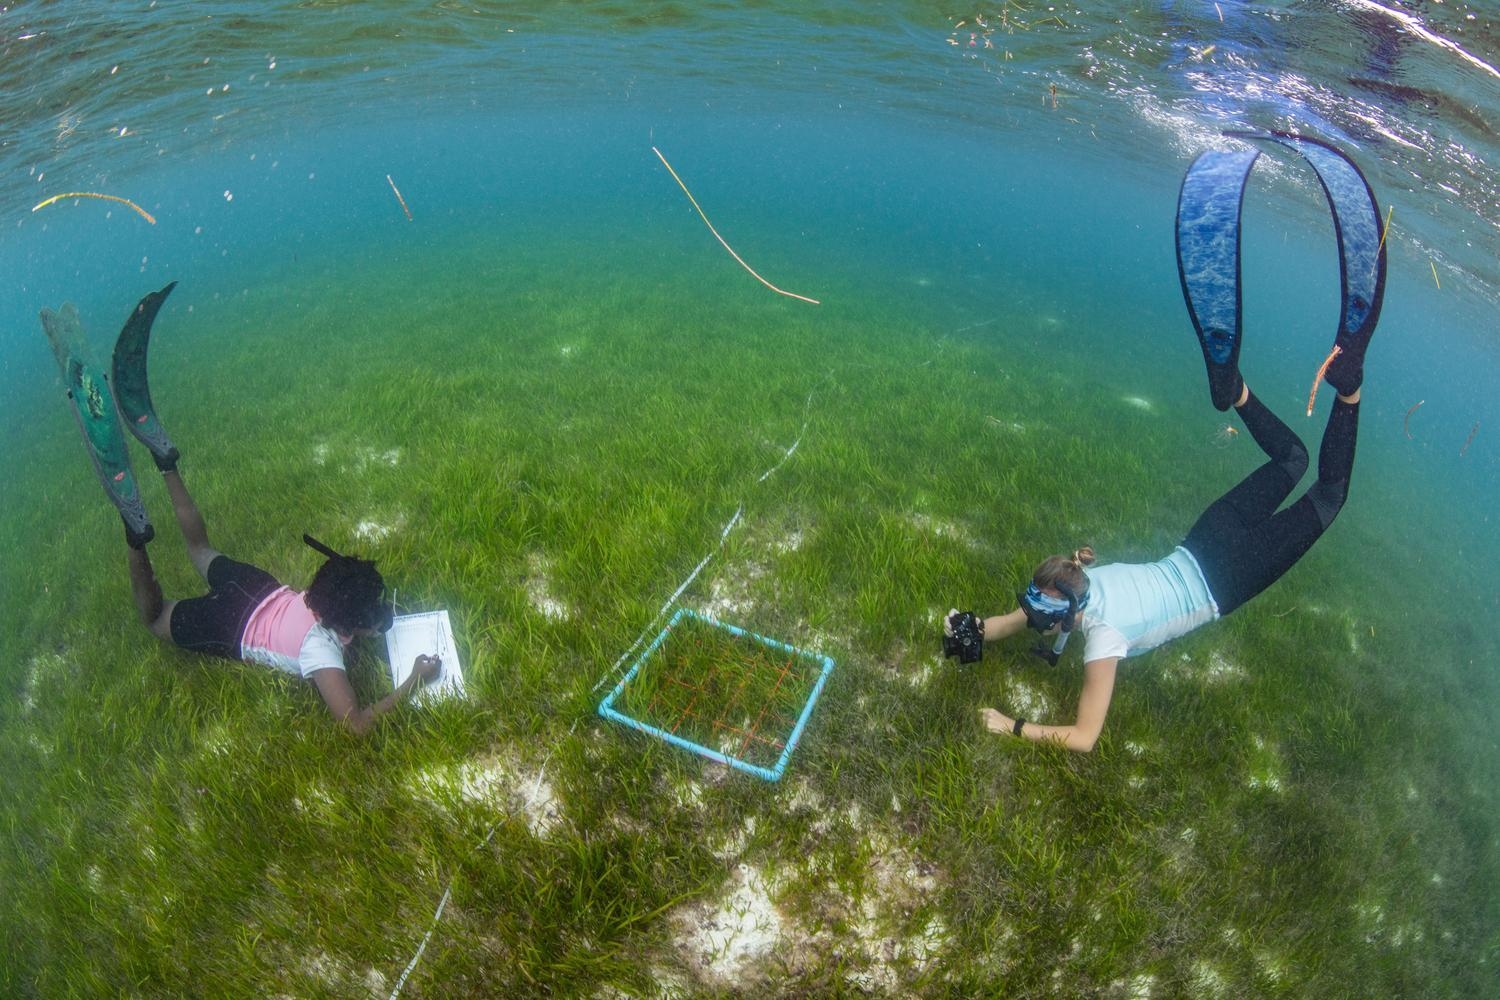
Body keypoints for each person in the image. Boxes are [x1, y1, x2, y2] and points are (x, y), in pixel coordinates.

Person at [947, 132, 1385, 753]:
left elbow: (1082, 738)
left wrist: (1008, 725)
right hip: (1203, 540)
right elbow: (1023, 616)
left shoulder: (1102, 638)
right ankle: (1234, 392)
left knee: (1328, 491)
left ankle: (1349, 392)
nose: (1038, 624)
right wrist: (971, 627)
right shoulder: (1073, 579)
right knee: (1292, 460)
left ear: (1072, 608)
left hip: (1222, 577)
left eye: (1046, 620)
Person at [43, 283, 439, 734]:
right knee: (156, 619)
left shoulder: (326, 605)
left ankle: (166, 462)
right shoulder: (322, 653)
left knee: (200, 550)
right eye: (373, 618)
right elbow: (357, 726)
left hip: (260, 588)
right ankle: (136, 534)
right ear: (347, 623)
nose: (380, 619)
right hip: (233, 624)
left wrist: (362, 621)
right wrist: (414, 679)